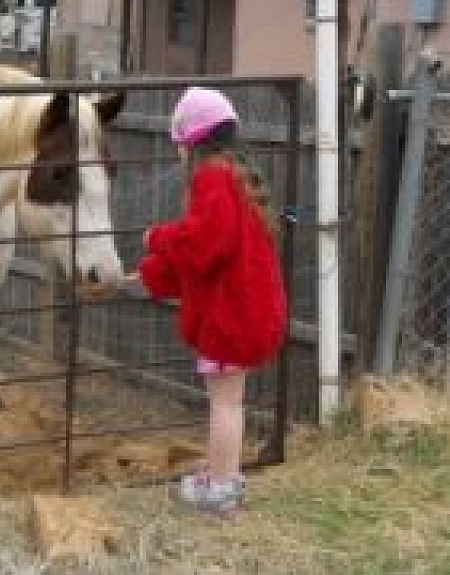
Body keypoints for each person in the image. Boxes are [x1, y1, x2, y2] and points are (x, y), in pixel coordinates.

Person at [136, 87, 288, 516]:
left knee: (225, 404)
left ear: (190, 141)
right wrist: (153, 271)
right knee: (229, 402)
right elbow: (207, 256)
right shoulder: (236, 176)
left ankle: (220, 491)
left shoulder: (213, 178)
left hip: (229, 321)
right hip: (245, 311)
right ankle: (220, 473)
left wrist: (157, 238)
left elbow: (203, 245)